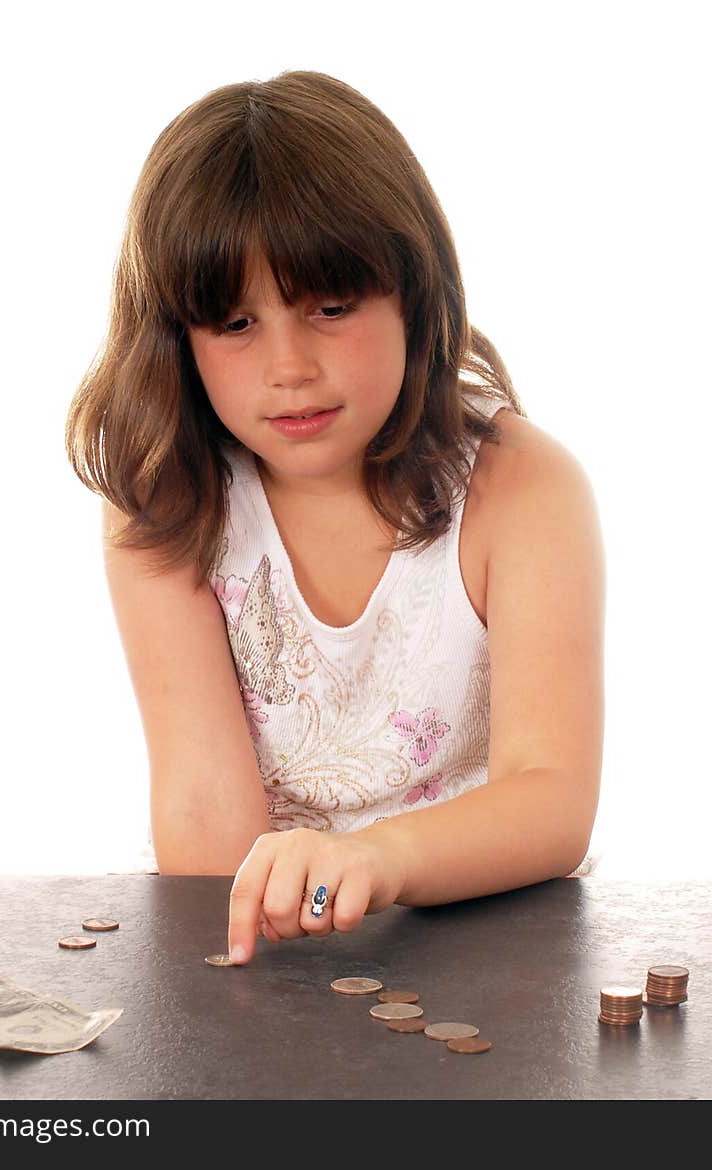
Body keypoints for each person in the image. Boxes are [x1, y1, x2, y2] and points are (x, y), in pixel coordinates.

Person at [65, 70, 605, 966]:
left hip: (493, 939)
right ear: (179, 340)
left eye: (330, 307)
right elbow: (205, 823)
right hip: (270, 945)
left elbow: (550, 797)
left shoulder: (524, 490)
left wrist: (375, 860)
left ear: (414, 295)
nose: (290, 366)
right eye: (235, 322)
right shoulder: (167, 510)